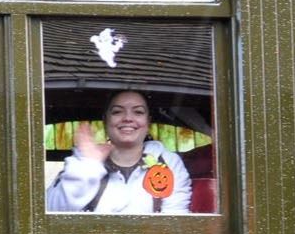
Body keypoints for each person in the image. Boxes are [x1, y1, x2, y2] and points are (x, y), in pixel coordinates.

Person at [46, 89, 191, 213]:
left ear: (148, 123)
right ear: (105, 121)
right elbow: (51, 212)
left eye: (138, 112)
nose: (128, 118)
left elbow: (177, 219)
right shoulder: (82, 162)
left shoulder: (170, 163)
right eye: (117, 112)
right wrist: (87, 167)